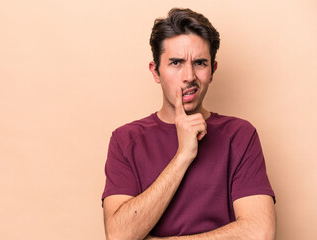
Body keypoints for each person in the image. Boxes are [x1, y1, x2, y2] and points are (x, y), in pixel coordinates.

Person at [102, 8, 276, 240]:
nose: (189, 76)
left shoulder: (240, 135)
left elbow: (260, 233)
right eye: (176, 62)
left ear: (212, 70)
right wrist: (182, 157)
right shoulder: (125, 139)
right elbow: (119, 236)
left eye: (200, 63)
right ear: (156, 72)